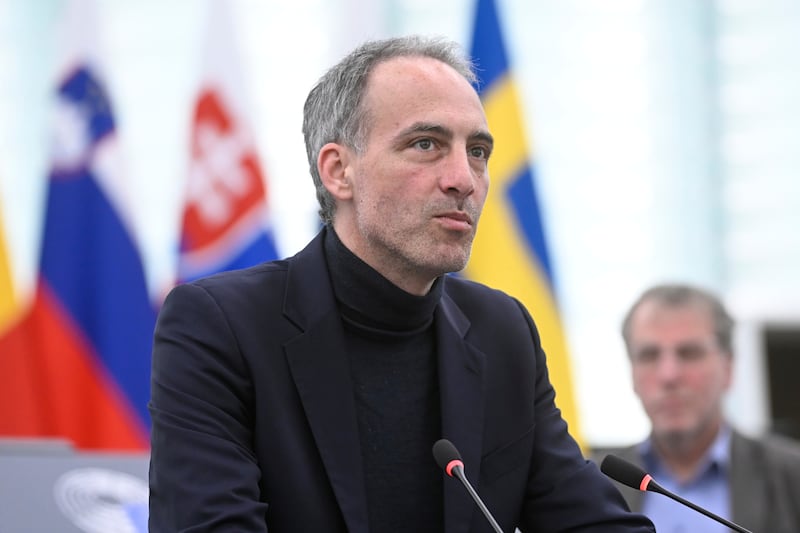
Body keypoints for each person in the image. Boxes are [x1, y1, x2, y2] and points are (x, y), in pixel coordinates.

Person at [148, 35, 654, 532]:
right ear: (338, 171)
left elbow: (586, 520)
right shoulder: (220, 325)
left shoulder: (502, 331)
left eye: (477, 150)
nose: (464, 179)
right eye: (426, 144)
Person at [595, 283, 800, 532]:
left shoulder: (791, 478)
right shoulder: (593, 484)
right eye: (649, 355)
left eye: (689, 353)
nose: (669, 375)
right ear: (632, 373)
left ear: (728, 368)